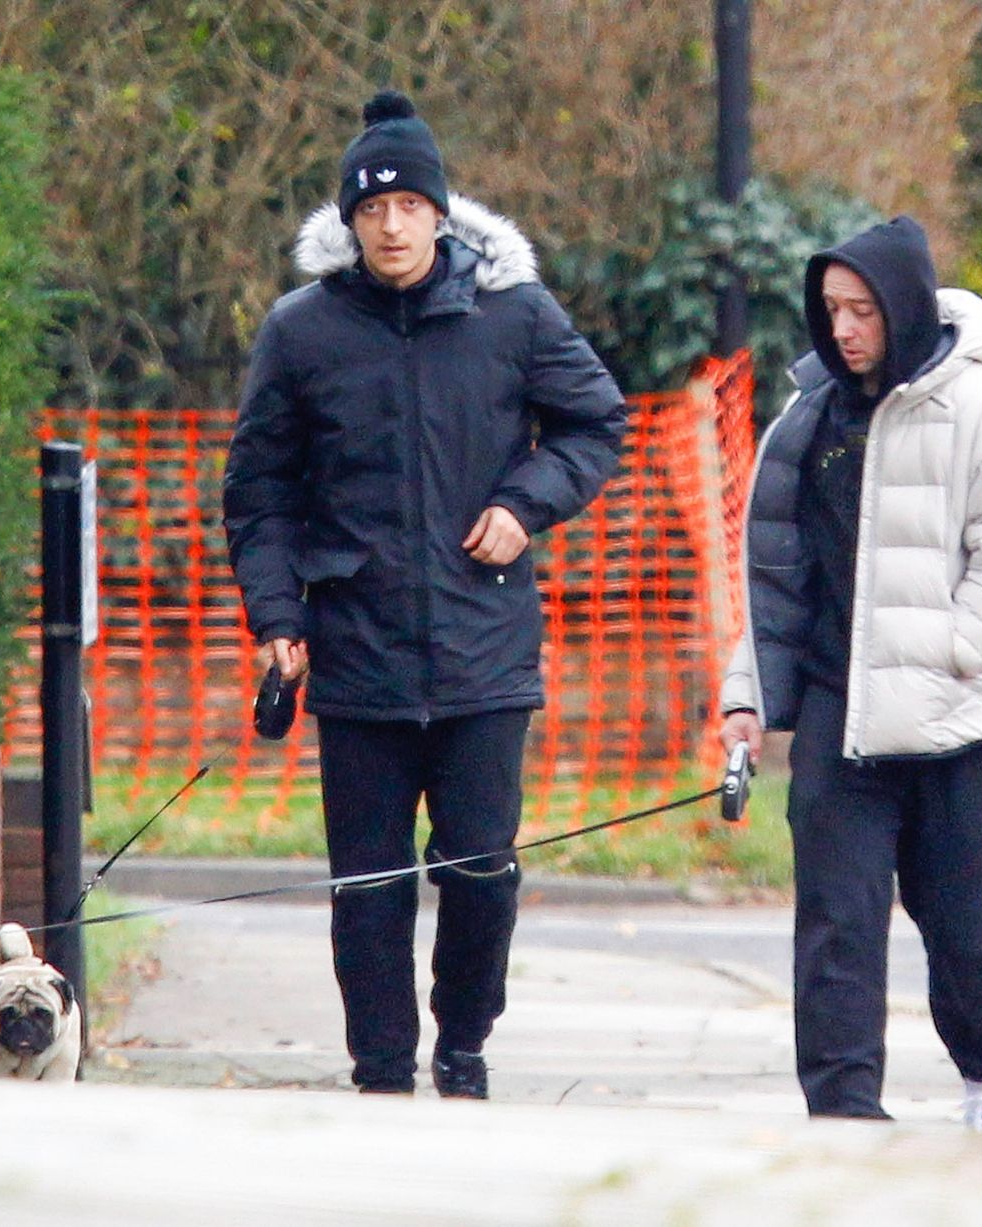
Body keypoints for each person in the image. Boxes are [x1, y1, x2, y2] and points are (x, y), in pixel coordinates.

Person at [223, 90, 627, 1098]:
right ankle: (380, 1068)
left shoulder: (516, 318)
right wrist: (277, 619)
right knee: (366, 887)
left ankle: (465, 1043)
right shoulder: (301, 333)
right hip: (354, 652)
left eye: (409, 204)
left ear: (441, 213)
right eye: (372, 208)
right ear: (350, 223)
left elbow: (594, 426)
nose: (391, 223)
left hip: (485, 652)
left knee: (480, 870)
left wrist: (525, 506)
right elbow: (257, 495)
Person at [718, 215, 982, 1132]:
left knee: (964, 928)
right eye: (830, 311)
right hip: (841, 712)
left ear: (903, 310)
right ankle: (843, 1116)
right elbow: (776, 576)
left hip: (963, 719)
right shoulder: (808, 417)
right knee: (836, 922)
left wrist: (945, 654)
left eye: (861, 310)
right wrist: (747, 700)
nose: (844, 330)